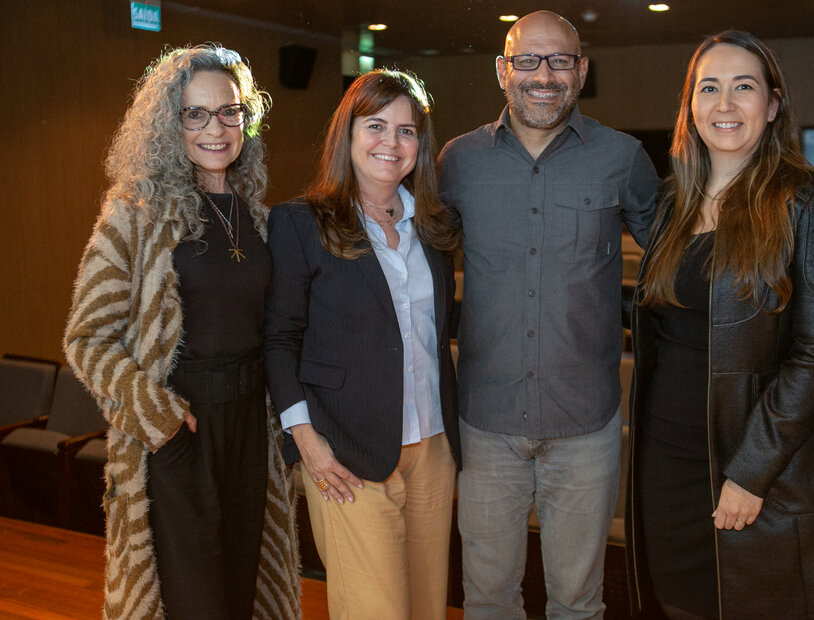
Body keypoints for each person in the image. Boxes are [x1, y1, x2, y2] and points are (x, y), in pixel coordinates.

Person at [625, 30, 814, 619]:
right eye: (709, 88)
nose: (725, 104)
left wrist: (750, 473)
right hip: (669, 458)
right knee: (681, 604)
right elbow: (671, 322)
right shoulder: (672, 204)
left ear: (773, 104)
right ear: (691, 105)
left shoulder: (813, 204)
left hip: (761, 464)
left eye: (745, 87)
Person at [63, 45, 301, 619]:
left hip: (251, 428)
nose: (215, 128)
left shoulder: (259, 216)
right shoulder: (134, 213)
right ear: (169, 124)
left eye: (229, 112)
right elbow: (86, 339)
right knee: (192, 601)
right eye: (195, 114)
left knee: (243, 590)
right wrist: (160, 418)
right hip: (178, 429)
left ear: (247, 118)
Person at [438, 10, 659, 618]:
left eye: (559, 60)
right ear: (502, 70)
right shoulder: (458, 163)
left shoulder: (623, 157)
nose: (544, 75)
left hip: (586, 426)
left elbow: (675, 260)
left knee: (579, 601)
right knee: (486, 597)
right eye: (528, 60)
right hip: (484, 425)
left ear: (581, 70)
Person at [263, 69, 461, 620]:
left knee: (427, 609)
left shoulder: (436, 228)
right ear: (347, 135)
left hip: (433, 448)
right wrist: (306, 441)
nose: (391, 143)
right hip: (345, 453)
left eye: (407, 130)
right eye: (376, 125)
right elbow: (279, 339)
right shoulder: (301, 223)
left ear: (421, 145)